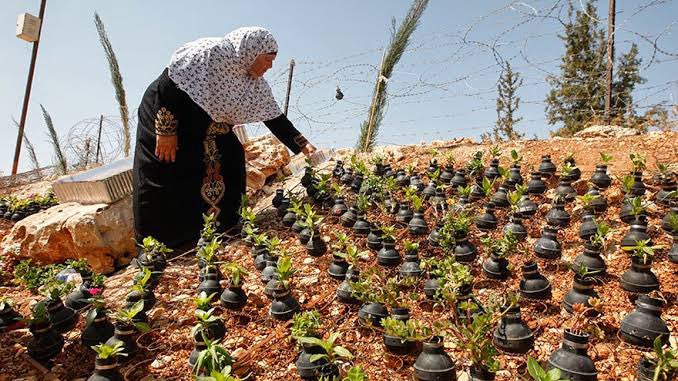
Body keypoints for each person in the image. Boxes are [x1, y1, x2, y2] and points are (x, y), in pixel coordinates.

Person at [133, 26, 316, 248]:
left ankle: (224, 224)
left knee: (230, 156)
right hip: (167, 116)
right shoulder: (207, 54)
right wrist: (166, 130)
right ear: (251, 52)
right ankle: (160, 243)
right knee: (166, 169)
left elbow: (274, 117)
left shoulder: (252, 83)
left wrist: (303, 145)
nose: (269, 66)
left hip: (207, 127)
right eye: (267, 60)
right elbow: (167, 85)